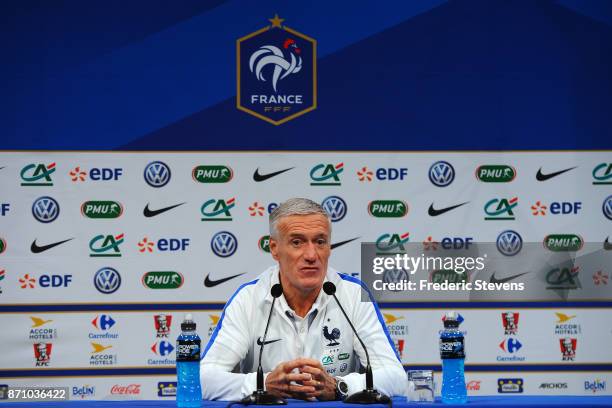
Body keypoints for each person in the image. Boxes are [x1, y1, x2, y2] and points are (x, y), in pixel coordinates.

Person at [200, 198, 406, 401]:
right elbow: (202, 380)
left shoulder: (352, 295)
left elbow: (396, 378)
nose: (311, 254)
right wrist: (263, 384)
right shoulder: (248, 299)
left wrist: (340, 386)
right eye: (297, 242)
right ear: (274, 248)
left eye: (320, 242)